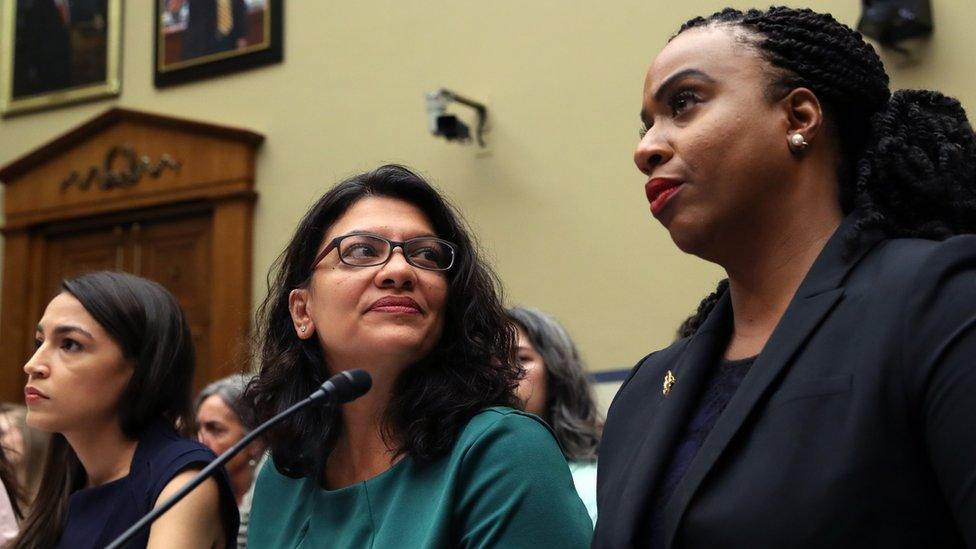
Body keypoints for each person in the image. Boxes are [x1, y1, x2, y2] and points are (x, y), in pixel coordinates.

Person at [594, 7, 976, 548]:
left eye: (684, 103)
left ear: (798, 117)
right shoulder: (642, 394)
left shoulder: (937, 301)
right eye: (647, 123)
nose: (646, 148)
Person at [246, 165, 593, 547]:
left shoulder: (503, 450)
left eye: (426, 255)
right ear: (302, 311)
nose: (400, 269)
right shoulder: (284, 475)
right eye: (362, 250)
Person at [17, 271, 239, 548]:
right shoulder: (67, 468)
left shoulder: (183, 479)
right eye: (40, 343)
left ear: (143, 367)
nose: (33, 364)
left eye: (70, 344)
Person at [507, 306, 603, 525]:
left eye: (520, 358)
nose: (502, 372)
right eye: (490, 361)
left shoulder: (595, 482)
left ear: (555, 374)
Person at [196, 374, 264, 548]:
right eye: (198, 429)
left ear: (254, 442)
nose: (200, 440)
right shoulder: (196, 492)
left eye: (215, 429)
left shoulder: (271, 496)